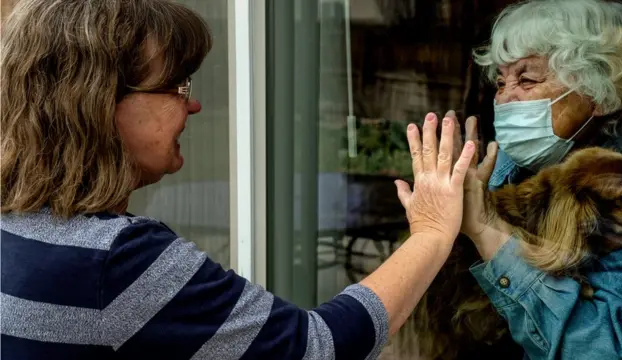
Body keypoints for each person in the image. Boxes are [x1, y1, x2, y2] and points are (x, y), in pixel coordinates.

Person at [0, 0, 476, 359]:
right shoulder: (116, 262)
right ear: (98, 102)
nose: (193, 105)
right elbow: (319, 347)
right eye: (176, 86)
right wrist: (432, 233)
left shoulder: (15, 228)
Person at [446, 0, 622, 358]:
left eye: (527, 79)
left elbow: (599, 349)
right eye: (501, 83)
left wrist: (486, 228)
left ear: (599, 94)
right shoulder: (510, 161)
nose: (505, 98)